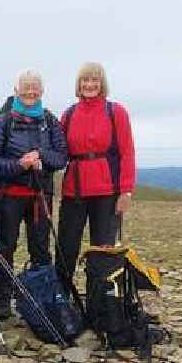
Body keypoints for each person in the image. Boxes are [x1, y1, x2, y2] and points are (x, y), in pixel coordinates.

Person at [0, 69, 68, 319]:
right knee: (5, 247)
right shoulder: (4, 121)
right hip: (10, 195)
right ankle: (2, 298)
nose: (30, 91)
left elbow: (62, 156)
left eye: (35, 87)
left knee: (41, 249)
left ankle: (41, 299)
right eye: (26, 87)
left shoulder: (50, 120)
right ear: (16, 90)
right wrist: (20, 165)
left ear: (41, 91)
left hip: (39, 196)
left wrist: (41, 156)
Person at [55, 62, 135, 285]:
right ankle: (62, 298)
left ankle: (99, 305)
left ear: (102, 84)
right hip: (74, 191)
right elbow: (58, 150)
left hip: (107, 192)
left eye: (94, 80)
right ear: (78, 85)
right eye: (85, 80)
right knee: (66, 247)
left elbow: (127, 152)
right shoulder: (69, 114)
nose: (89, 84)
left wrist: (126, 191)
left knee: (102, 252)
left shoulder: (116, 112)